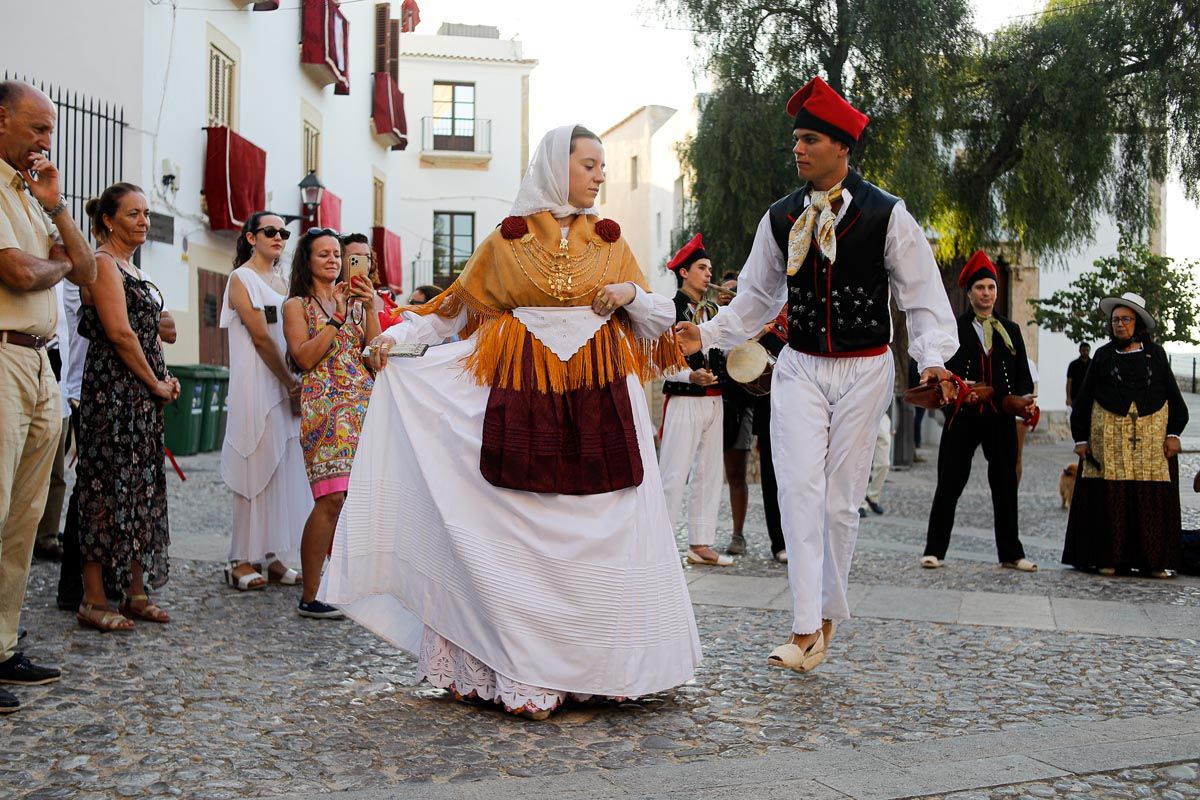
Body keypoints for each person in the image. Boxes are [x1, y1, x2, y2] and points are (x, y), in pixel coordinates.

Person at [320, 124, 701, 720]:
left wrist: (627, 290)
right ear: (557, 168)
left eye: (602, 165)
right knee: (517, 534)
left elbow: (656, 319)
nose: (600, 175)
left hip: (598, 404)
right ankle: (516, 667)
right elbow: (451, 311)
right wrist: (395, 340)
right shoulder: (505, 241)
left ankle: (604, 668)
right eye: (590, 164)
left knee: (606, 534)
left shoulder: (613, 241)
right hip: (520, 400)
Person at [676, 77, 957, 674]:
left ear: (841, 148)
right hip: (799, 367)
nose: (798, 150)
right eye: (796, 140)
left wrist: (932, 357)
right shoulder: (779, 218)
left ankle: (826, 619)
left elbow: (923, 298)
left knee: (838, 504)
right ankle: (805, 630)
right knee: (800, 490)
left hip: (864, 369)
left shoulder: (888, 216)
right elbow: (754, 298)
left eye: (809, 139)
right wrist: (706, 334)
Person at [0, 80, 96, 711]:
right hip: (5, 351)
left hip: (40, 362)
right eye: (37, 128)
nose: (46, 141)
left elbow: (85, 269)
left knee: (25, 516)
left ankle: (3, 645)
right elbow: (17, 271)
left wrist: (57, 207)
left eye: (51, 129)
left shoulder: (31, 196)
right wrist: (56, 263)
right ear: (2, 119)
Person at [74, 183, 178, 632]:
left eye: (146, 213)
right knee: (102, 492)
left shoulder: (132, 270)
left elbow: (150, 333)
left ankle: (136, 591)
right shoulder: (101, 263)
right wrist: (154, 380)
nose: (143, 221)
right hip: (112, 396)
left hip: (141, 398)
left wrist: (165, 377)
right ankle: (93, 599)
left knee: (139, 490)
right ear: (108, 221)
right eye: (133, 213)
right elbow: (120, 334)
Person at [282, 227, 378, 619]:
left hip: (361, 407)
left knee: (351, 502)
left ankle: (341, 586)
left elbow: (373, 354)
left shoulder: (357, 302)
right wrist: (337, 317)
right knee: (330, 498)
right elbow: (304, 357)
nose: (333, 261)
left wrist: (368, 307)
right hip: (324, 410)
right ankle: (310, 593)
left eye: (337, 255)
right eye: (323, 254)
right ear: (307, 262)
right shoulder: (295, 306)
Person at [921, 251, 1038, 572]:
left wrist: (1017, 401)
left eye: (991, 287)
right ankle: (934, 550)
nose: (986, 293)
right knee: (950, 482)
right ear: (969, 292)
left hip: (1000, 420)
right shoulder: (952, 330)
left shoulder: (1011, 330)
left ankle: (1012, 553)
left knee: (1005, 484)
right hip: (963, 420)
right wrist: (960, 391)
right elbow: (940, 376)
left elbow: (1021, 379)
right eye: (980, 288)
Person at [1062, 292, 1187, 578]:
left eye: (1125, 320)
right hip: (1108, 447)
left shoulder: (1156, 357)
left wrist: (1174, 433)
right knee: (1110, 500)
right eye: (1115, 320)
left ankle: (1153, 561)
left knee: (1150, 501)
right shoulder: (1103, 356)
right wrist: (1080, 439)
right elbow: (1083, 400)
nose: (1119, 325)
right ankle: (1109, 558)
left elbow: (1173, 398)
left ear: (1138, 323)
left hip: (1151, 447)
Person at [219, 212, 311, 591]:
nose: (278, 237)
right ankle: (239, 558)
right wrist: (290, 381)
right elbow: (260, 338)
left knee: (280, 468)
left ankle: (272, 555)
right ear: (251, 237)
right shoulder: (241, 279)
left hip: (285, 385)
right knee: (252, 467)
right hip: (257, 386)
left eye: (283, 232)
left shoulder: (284, 283)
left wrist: (294, 382)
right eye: (270, 231)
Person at [659, 233, 733, 566]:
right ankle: (660, 544)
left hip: (714, 398)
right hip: (684, 396)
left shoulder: (715, 311)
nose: (708, 274)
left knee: (710, 472)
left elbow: (725, 347)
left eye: (710, 268)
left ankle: (700, 543)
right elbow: (657, 360)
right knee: (674, 472)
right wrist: (689, 375)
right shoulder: (668, 310)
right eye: (702, 268)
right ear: (684, 272)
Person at [859, 411, 892, 517]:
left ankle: (872, 496)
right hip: (862, 413)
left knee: (884, 463)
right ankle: (860, 502)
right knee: (861, 461)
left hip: (882, 413)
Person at [1065, 342, 1091, 408]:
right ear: (1079, 351)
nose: (1085, 352)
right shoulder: (1073, 364)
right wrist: (1068, 398)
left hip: (1090, 396)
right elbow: (1069, 382)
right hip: (1076, 397)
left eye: (1087, 350)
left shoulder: (1093, 364)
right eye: (1083, 350)